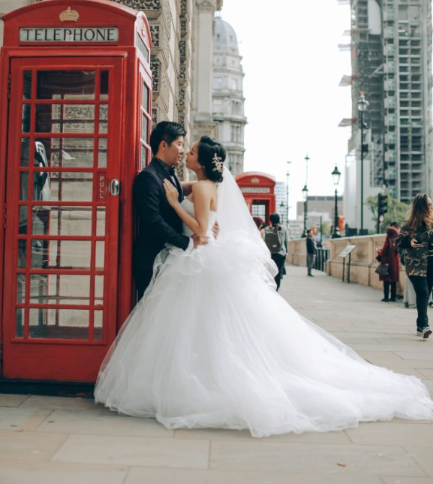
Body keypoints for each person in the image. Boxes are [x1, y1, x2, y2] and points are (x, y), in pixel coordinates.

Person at [95, 139, 433, 438]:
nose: (187, 152)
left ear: (204, 161)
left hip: (199, 256)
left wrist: (171, 202)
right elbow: (204, 208)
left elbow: (199, 228)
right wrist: (176, 189)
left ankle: (201, 379)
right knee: (215, 325)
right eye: (184, 146)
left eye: (193, 150)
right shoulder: (204, 185)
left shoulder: (199, 188)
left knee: (198, 325)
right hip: (212, 256)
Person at [132, 121, 209, 299]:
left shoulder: (169, 174)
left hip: (169, 259)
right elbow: (153, 221)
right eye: (180, 144)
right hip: (151, 261)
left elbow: (179, 210)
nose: (183, 150)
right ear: (163, 145)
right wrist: (188, 242)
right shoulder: (148, 177)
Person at [395, 193, 433, 339]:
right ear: (421, 207)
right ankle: (424, 326)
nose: (431, 207)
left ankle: (419, 325)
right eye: (428, 204)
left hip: (431, 265)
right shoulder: (409, 224)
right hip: (416, 265)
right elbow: (397, 243)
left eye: (431, 204)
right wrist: (408, 242)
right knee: (423, 293)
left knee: (425, 295)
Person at [376, 222, 400, 302]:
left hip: (386, 263)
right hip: (395, 263)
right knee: (394, 280)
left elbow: (384, 252)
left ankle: (386, 297)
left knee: (386, 280)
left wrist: (379, 251)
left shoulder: (388, 240)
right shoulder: (396, 241)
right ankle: (393, 297)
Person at [264, 213, 288, 290]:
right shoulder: (283, 228)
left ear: (270, 220)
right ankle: (276, 290)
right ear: (279, 219)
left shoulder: (267, 229)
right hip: (280, 254)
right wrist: (286, 252)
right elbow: (285, 242)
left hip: (271, 254)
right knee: (278, 272)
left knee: (270, 272)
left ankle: (269, 287)